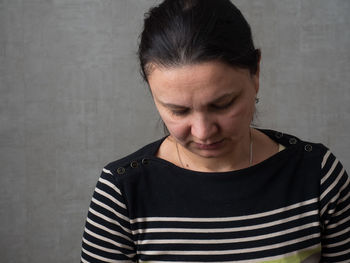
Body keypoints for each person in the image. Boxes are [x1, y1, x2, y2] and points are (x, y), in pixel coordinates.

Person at [80, 0, 350, 262]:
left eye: (222, 104)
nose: (203, 132)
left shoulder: (318, 176)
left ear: (255, 72)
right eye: (179, 110)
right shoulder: (122, 192)